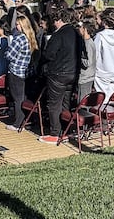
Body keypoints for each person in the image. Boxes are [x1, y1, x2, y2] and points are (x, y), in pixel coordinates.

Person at [38, 8, 78, 144]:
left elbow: (48, 54)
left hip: (58, 73)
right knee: (66, 103)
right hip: (72, 73)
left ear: (59, 20)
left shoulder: (58, 35)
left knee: (54, 104)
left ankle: (55, 133)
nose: (54, 23)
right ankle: (65, 131)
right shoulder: (76, 33)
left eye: (55, 21)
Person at [4, 15, 38, 131]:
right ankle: (26, 119)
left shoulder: (19, 39)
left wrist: (6, 51)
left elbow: (9, 55)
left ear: (22, 26)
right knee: (24, 97)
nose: (15, 26)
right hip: (27, 72)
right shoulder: (30, 37)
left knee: (17, 98)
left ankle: (18, 123)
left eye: (17, 24)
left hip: (16, 71)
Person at [93, 8, 114, 102]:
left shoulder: (100, 36)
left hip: (101, 73)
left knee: (101, 101)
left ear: (104, 21)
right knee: (110, 99)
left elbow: (95, 55)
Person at [77, 19, 97, 99]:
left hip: (85, 77)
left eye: (80, 27)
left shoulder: (87, 43)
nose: (79, 29)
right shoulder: (88, 42)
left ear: (84, 29)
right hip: (89, 76)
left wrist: (78, 57)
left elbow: (88, 62)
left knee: (82, 100)